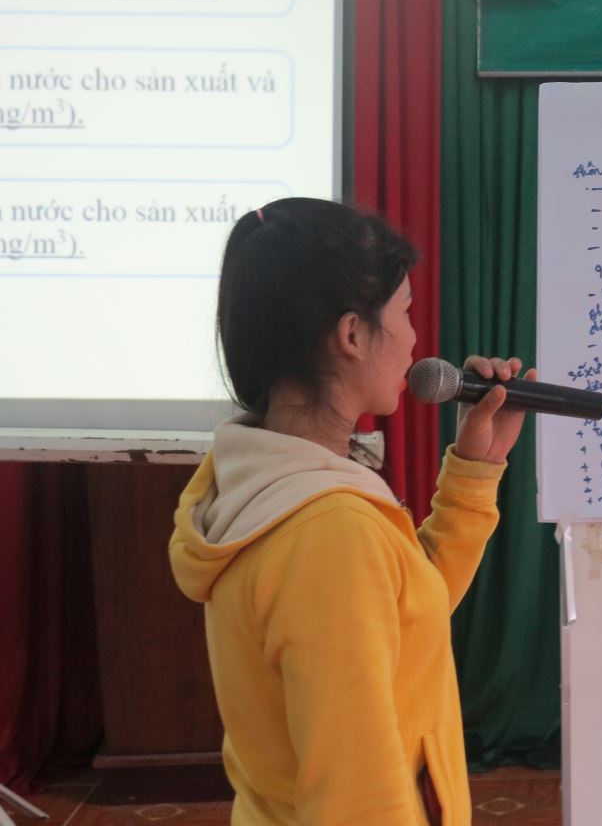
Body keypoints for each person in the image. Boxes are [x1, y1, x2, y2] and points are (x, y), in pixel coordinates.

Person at [169, 197, 524, 825]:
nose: (414, 339)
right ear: (353, 334)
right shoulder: (329, 534)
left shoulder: (255, 480)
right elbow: (358, 803)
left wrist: (476, 468)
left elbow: (408, 611)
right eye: (404, 312)